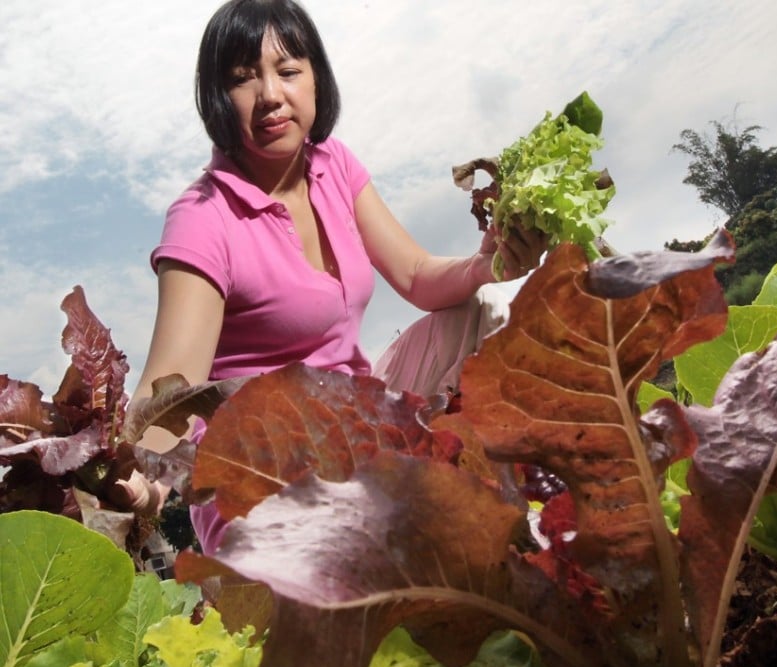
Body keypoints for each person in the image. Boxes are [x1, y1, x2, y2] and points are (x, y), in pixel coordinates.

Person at [126, 0, 546, 543]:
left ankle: (516, 507)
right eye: (242, 80)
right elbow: (171, 388)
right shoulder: (203, 218)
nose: (271, 95)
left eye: (288, 71)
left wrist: (490, 263)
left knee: (489, 310)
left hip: (359, 414)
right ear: (216, 100)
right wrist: (144, 480)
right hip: (265, 467)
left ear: (317, 81)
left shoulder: (333, 164)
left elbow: (416, 274)